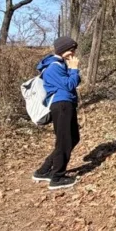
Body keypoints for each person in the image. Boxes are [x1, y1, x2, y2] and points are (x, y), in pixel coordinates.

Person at [32, 36, 82, 190]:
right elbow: (70, 85)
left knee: (73, 137)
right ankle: (57, 177)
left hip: (66, 103)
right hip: (61, 105)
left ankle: (44, 170)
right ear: (62, 50)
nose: (73, 53)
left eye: (74, 50)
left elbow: (72, 83)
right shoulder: (54, 67)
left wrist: (72, 69)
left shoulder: (60, 64)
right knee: (64, 141)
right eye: (71, 50)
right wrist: (74, 69)